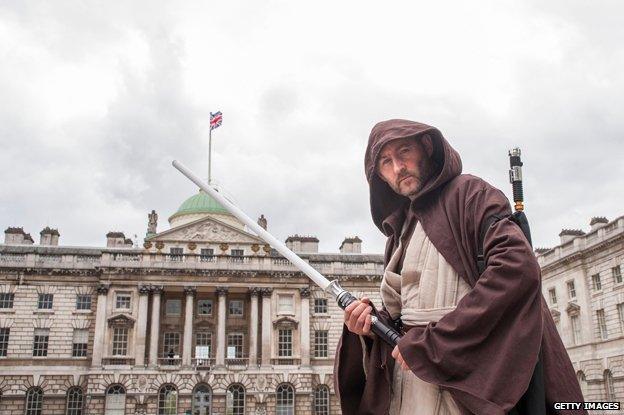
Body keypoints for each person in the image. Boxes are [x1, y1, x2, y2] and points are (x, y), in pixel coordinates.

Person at [334, 120, 585, 415]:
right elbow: (400, 322)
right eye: (386, 162)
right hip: (410, 389)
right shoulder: (399, 231)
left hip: (466, 386)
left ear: (427, 149)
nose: (398, 167)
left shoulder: (470, 194)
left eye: (404, 152)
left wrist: (436, 344)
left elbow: (516, 268)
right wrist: (367, 326)